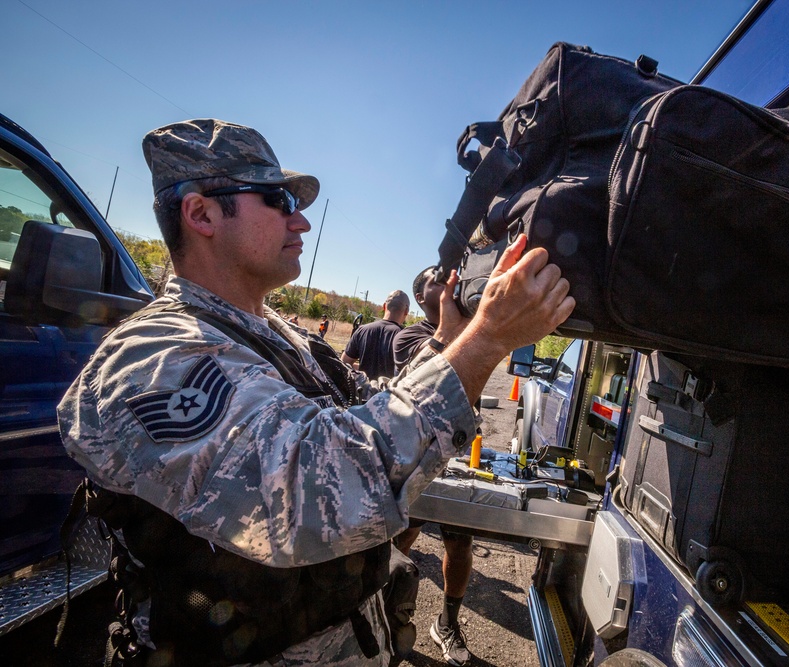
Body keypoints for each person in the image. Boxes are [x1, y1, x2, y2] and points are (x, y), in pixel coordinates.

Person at [56, 118, 574, 667]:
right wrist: (486, 342)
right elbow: (309, 492)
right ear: (201, 213)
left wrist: (451, 338)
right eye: (278, 200)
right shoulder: (153, 356)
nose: (300, 220)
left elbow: (369, 408)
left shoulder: (277, 333)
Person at [392, 267, 474, 665]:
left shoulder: (466, 328)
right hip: (414, 458)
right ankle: (385, 612)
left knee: (459, 544)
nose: (448, 283)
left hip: (454, 459)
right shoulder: (410, 336)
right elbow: (428, 377)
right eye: (437, 279)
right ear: (422, 296)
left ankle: (447, 623)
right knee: (400, 539)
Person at [341, 290, 409, 380]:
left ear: (384, 306)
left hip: (363, 391)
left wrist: (362, 368)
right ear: (406, 311)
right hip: (388, 393)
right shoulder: (406, 337)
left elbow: (344, 363)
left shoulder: (362, 330)